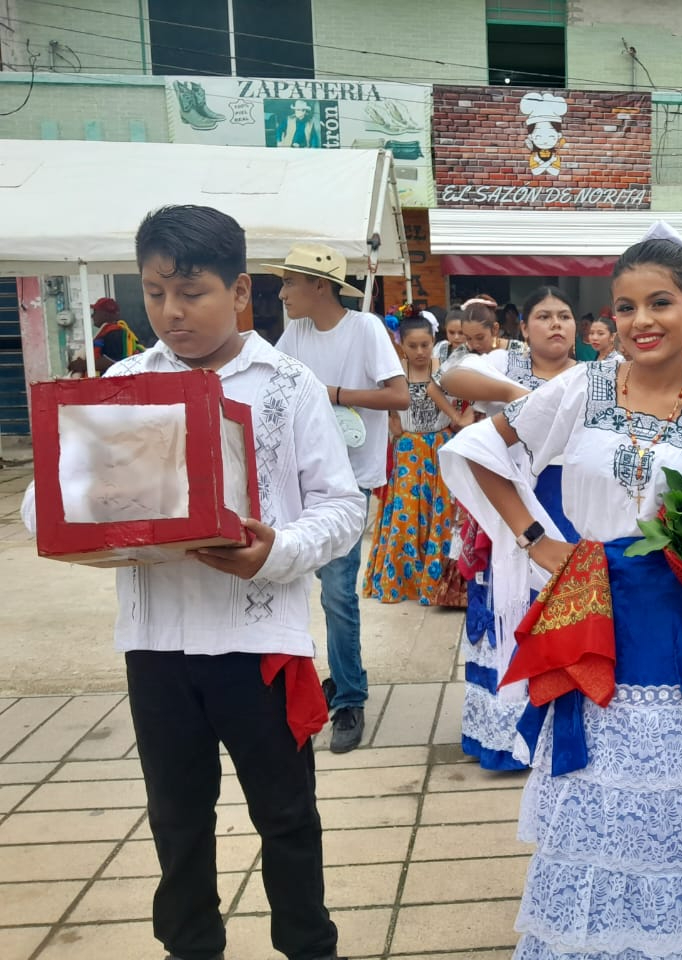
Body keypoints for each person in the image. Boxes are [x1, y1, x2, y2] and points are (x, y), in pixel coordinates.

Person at [439, 221, 682, 958]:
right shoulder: (579, 390)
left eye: (659, 303)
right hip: (593, 617)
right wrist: (534, 539)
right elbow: (478, 448)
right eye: (625, 307)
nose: (641, 321)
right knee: (596, 782)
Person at [24, 205, 365, 960]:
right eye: (154, 293)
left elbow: (343, 507)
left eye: (191, 292)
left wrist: (275, 551)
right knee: (177, 820)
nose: (171, 313)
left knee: (286, 816)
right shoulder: (124, 383)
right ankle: (191, 949)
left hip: (257, 640)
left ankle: (308, 947)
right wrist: (84, 508)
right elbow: (47, 500)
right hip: (156, 646)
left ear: (241, 291)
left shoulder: (287, 383)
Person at [270, 242, 410, 753]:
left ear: (319, 286)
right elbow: (273, 389)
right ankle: (334, 676)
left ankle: (350, 697)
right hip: (298, 480)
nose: (282, 293)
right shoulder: (295, 333)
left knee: (337, 593)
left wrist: (331, 394)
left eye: (289, 283)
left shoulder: (366, 329)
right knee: (297, 589)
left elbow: (400, 395)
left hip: (350, 483)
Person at [440, 287, 578, 769]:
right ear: (524, 329)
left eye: (564, 316)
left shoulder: (596, 374)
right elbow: (450, 374)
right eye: (544, 316)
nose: (556, 324)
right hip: (511, 500)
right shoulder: (505, 367)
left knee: (572, 611)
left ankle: (571, 729)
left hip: (575, 502)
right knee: (509, 605)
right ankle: (508, 737)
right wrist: (522, 398)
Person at [363, 314, 473, 605]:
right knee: (405, 514)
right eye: (413, 346)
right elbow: (381, 405)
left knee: (442, 515)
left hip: (440, 446)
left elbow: (466, 401)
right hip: (408, 450)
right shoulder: (394, 375)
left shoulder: (446, 372)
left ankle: (436, 582)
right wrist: (391, 421)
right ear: (402, 347)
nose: (420, 351)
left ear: (433, 342)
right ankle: (403, 580)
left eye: (426, 344)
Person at [433, 307, 467, 371]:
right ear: (446, 329)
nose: (456, 337)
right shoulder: (440, 347)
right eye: (451, 332)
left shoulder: (473, 353)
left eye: (461, 333)